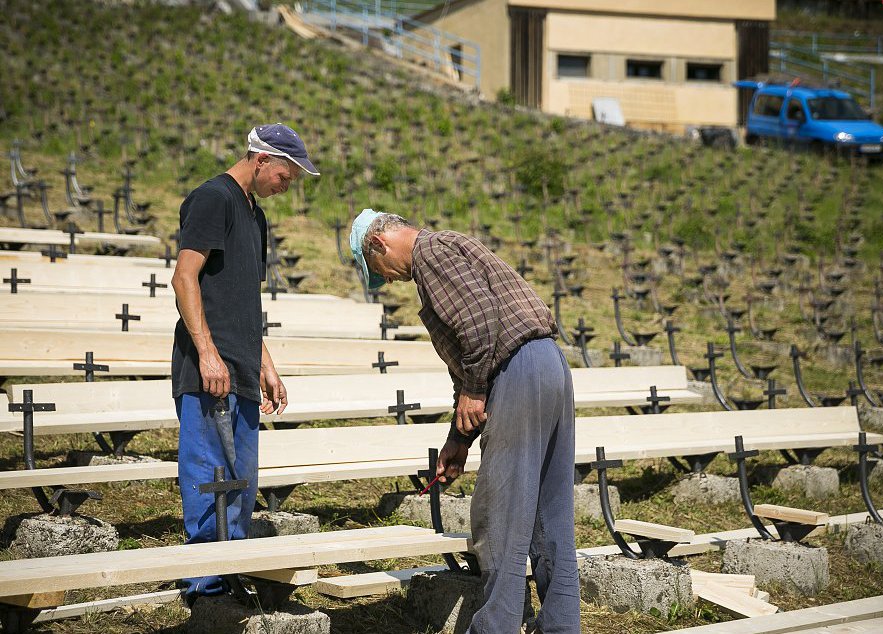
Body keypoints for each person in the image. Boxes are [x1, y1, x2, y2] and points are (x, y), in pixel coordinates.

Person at [349, 210, 581, 634]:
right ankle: (561, 627)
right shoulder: (450, 247)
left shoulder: (430, 253)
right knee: (551, 514)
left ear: (379, 245)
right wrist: (458, 441)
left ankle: (495, 627)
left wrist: (474, 390)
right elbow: (482, 336)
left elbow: (479, 326)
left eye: (380, 272)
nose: (390, 281)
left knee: (501, 518)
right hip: (549, 365)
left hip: (517, 371)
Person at [171, 123, 318, 602]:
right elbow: (184, 278)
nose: (286, 184)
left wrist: (264, 363)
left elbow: (243, 299)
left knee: (242, 482)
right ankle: (204, 585)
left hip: (241, 371)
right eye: (285, 174)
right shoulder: (213, 198)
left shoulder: (256, 218)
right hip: (208, 370)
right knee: (210, 476)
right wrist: (207, 352)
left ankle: (230, 572)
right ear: (260, 160)